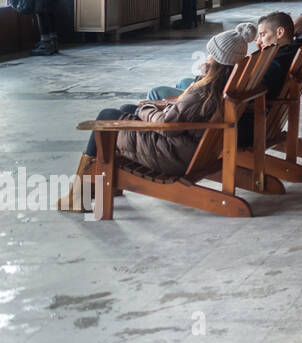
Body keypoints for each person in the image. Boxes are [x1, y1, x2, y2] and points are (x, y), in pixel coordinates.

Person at [57, 24, 256, 211]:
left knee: (107, 116)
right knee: (126, 108)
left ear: (217, 60)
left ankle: (78, 194)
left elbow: (167, 124)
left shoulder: (203, 93)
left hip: (173, 154)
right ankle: (109, 184)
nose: (208, 57)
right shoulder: (226, 85)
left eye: (211, 54)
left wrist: (145, 109)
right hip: (194, 147)